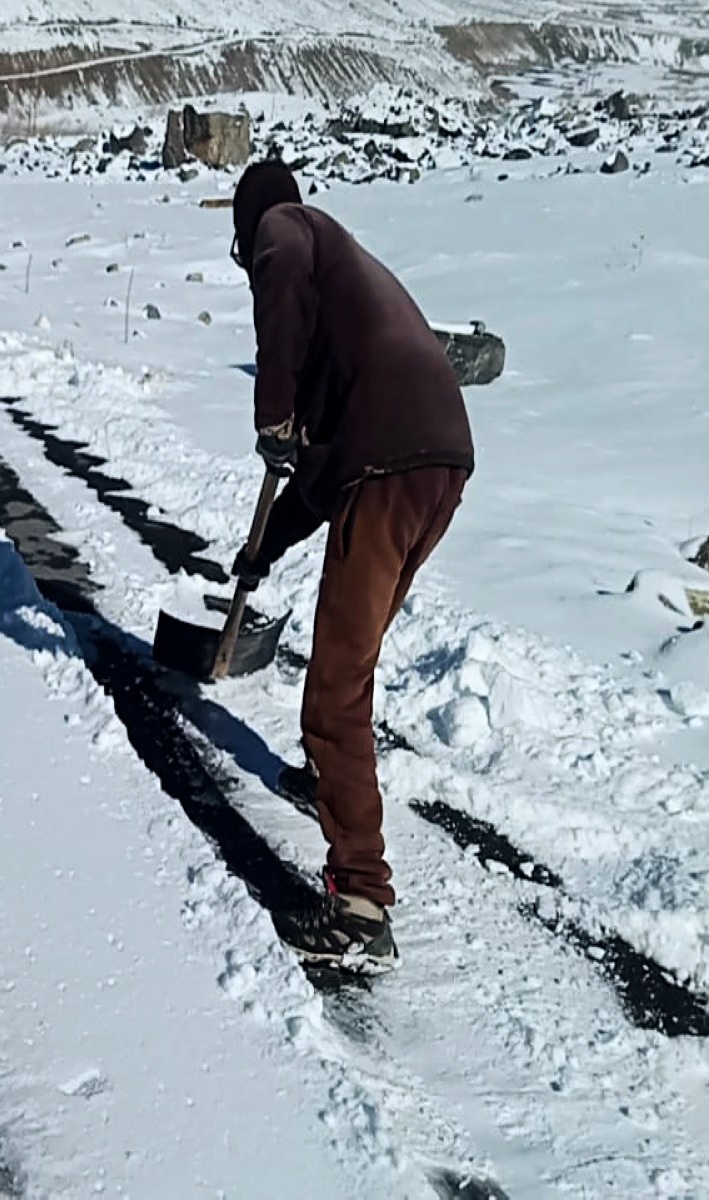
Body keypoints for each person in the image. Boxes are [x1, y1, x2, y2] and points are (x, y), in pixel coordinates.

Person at [228, 160, 474, 972]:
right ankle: (328, 782)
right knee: (352, 653)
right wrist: (263, 550)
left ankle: (361, 905)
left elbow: (280, 278)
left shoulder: (287, 227)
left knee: (333, 687)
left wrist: (274, 414)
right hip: (439, 459)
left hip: (390, 463)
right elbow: (323, 480)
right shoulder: (354, 272)